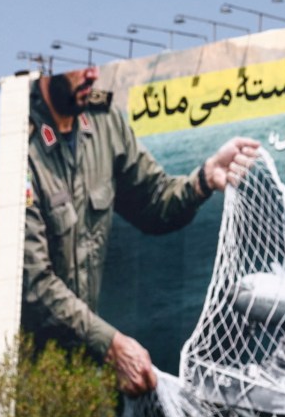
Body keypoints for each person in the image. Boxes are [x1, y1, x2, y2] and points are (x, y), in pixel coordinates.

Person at [22, 65, 262, 394]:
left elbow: (154, 201)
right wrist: (112, 346)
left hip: (88, 371)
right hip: (33, 376)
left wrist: (203, 179)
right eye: (80, 66)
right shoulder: (21, 143)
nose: (93, 75)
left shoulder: (105, 121)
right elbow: (34, 283)